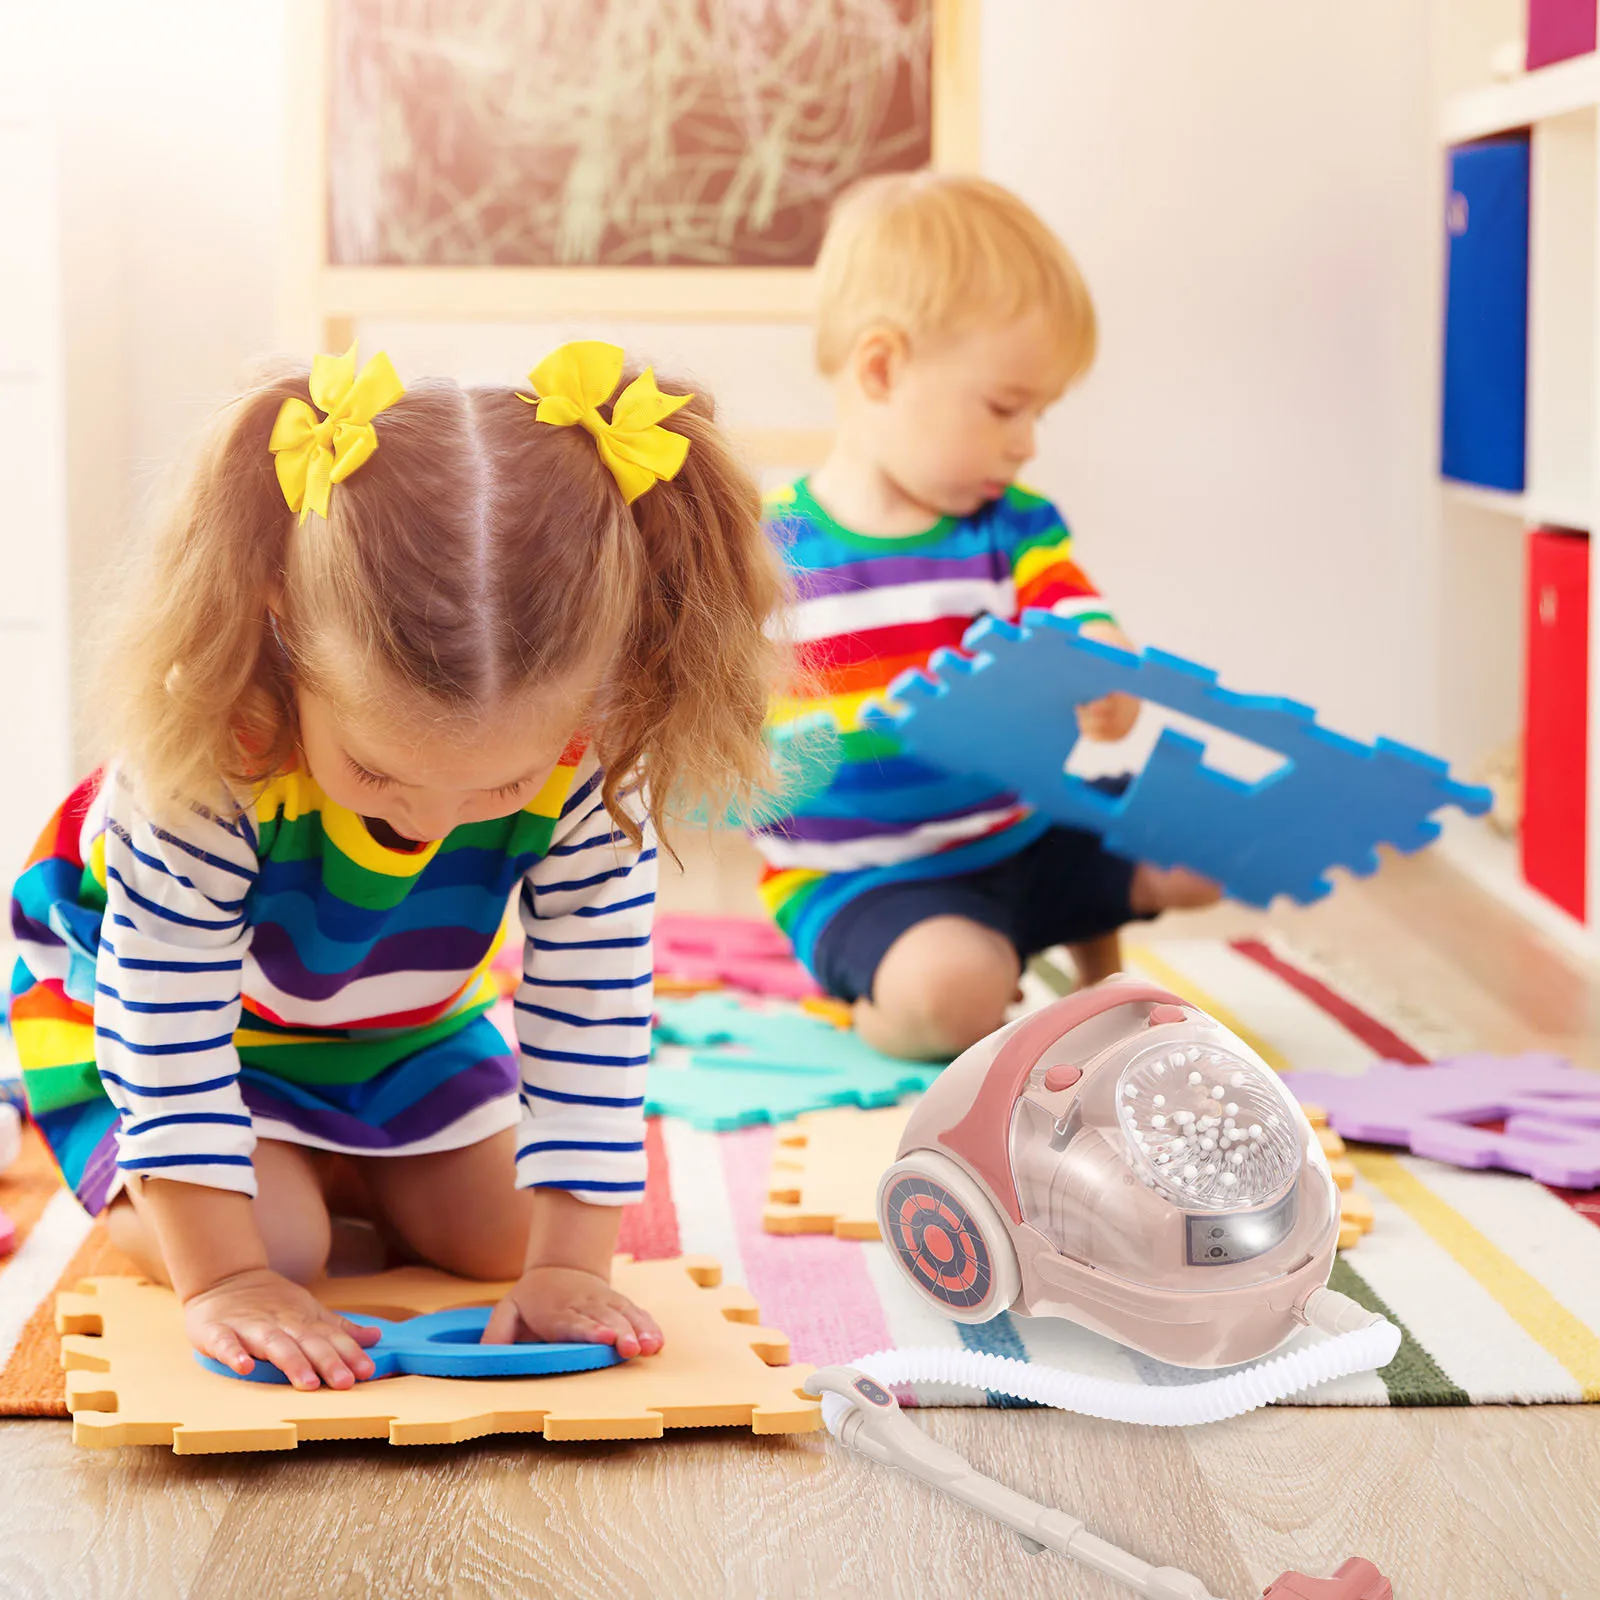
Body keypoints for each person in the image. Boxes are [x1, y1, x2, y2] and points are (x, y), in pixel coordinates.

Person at [9, 340, 786, 1390]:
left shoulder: (592, 758)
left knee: (512, 1239)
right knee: (281, 1249)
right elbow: (166, 1024)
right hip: (148, 1019)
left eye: (502, 788)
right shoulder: (213, 754)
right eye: (377, 774)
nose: (434, 822)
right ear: (282, 615)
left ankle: (322, 1163)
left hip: (396, 1021)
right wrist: (227, 1279)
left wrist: (567, 1266)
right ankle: (239, 1174)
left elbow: (593, 1007)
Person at [755, 173, 1217, 1062]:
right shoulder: (769, 557)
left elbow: (1074, 610)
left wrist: (1105, 667)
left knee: (1206, 841)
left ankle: (1075, 957)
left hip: (1025, 834)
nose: (1027, 441)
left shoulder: (1014, 527)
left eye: (1040, 413)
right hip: (870, 881)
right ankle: (873, 1007)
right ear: (882, 369)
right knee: (950, 994)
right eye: (1006, 407)